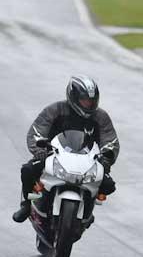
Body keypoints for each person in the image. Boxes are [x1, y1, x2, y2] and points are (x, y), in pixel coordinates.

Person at [12, 76, 120, 223]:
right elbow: (37, 131)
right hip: (53, 156)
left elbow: (110, 140)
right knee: (28, 171)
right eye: (85, 100)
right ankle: (26, 204)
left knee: (108, 185)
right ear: (73, 97)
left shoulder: (101, 117)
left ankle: (87, 210)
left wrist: (106, 158)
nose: (89, 104)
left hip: (88, 161)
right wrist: (40, 150)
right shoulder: (55, 110)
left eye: (92, 101)